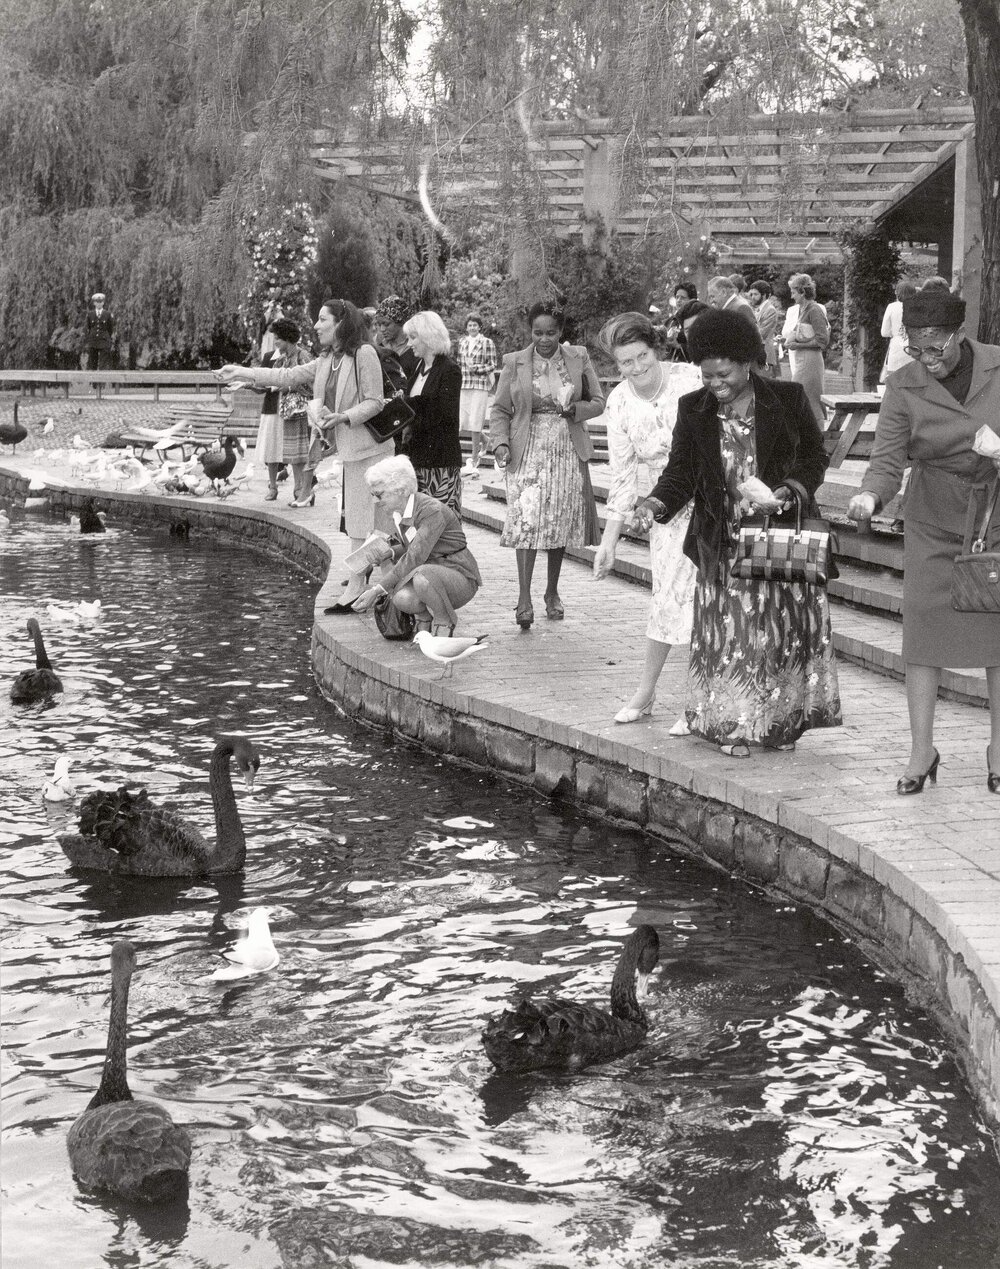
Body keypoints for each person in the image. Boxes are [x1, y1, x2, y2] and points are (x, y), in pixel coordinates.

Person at [631, 308, 842, 758]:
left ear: (748, 362)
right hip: (722, 541)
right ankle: (733, 725)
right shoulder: (695, 408)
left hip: (780, 537)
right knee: (735, 638)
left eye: (723, 374)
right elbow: (681, 472)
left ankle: (778, 725)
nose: (715, 384)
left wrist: (787, 490)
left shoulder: (786, 398)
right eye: (706, 376)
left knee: (780, 636)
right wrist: (654, 503)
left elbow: (814, 458)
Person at [847, 289, 1000, 795]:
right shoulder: (904, 383)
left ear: (959, 335)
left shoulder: (999, 367)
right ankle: (922, 751)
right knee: (922, 633)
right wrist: (870, 497)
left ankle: (999, 751)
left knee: (998, 638)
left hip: (994, 515)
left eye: (935, 347)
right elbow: (888, 458)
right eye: (915, 347)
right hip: (932, 517)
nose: (926, 358)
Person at [219, 299, 391, 605]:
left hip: (373, 450)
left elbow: (375, 401)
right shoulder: (326, 359)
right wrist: (242, 372)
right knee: (358, 520)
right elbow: (287, 377)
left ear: (341, 323)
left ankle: (365, 585)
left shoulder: (365, 354)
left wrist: (344, 417)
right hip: (349, 451)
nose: (316, 325)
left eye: (323, 319)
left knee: (372, 521)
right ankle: (367, 585)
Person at [594, 312, 700, 723]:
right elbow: (622, 479)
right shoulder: (618, 402)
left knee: (706, 599)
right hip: (664, 506)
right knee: (668, 597)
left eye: (642, 357)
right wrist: (608, 541)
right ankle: (647, 690)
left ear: (656, 350)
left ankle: (699, 699)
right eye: (626, 362)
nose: (636, 368)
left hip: (709, 493)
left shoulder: (690, 379)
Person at [490, 299, 605, 628]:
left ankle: (552, 592)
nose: (543, 339)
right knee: (525, 521)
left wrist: (576, 410)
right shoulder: (515, 362)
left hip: (566, 448)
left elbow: (598, 401)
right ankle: (524, 597)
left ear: (561, 331)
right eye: (538, 332)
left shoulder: (578, 357)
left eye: (551, 333)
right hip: (526, 448)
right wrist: (500, 443)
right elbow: (499, 410)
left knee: (557, 523)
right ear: (530, 331)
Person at [350, 456, 481, 635]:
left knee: (422, 576)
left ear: (401, 490)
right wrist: (388, 552)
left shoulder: (430, 511)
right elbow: (414, 546)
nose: (375, 501)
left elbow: (415, 557)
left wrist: (376, 590)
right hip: (432, 572)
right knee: (402, 598)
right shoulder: (401, 511)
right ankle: (424, 619)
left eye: (379, 495)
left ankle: (444, 621)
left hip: (459, 575)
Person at [266, 317, 312, 504]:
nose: (275, 342)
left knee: (301, 454)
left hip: (301, 411)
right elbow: (271, 379)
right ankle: (299, 490)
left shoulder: (303, 356)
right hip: (289, 412)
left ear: (287, 338)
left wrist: (289, 387)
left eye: (278, 338)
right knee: (294, 454)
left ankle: (302, 491)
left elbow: (311, 383)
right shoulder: (282, 360)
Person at [780, 273, 830, 424]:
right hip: (802, 358)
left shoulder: (814, 310)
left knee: (808, 397)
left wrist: (797, 345)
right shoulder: (803, 309)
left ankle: (818, 435)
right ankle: (808, 435)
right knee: (802, 397)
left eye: (794, 292)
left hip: (810, 360)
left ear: (802, 292)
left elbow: (823, 341)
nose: (791, 296)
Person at [457, 313, 499, 471]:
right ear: (466, 327)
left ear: (479, 327)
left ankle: (474, 459)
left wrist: (477, 369)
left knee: (476, 420)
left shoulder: (487, 342)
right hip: (465, 384)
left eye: (475, 325)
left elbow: (493, 364)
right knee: (465, 421)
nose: (472, 327)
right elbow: (460, 364)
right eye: (470, 325)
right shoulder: (462, 342)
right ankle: (485, 439)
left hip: (480, 385)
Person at [879, 280, 918, 383]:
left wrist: (895, 333)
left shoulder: (892, 307)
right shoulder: (918, 307)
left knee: (894, 381)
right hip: (914, 346)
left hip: (896, 347)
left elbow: (884, 332)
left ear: (897, 292)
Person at [374, 296, 419, 381]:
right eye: (379, 325)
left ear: (400, 322)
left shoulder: (414, 349)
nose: (382, 329)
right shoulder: (380, 347)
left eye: (386, 324)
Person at [747, 280, 782, 377]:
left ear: (765, 295)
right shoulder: (756, 309)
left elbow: (761, 333)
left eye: (756, 294)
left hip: (764, 355)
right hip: (755, 354)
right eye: (751, 294)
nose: (752, 297)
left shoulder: (770, 310)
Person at [83, 293, 115, 370]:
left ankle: (101, 381)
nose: (99, 304)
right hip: (93, 341)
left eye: (101, 302)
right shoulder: (90, 314)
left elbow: (110, 329)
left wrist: (107, 338)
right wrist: (89, 338)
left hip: (104, 341)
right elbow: (88, 327)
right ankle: (93, 382)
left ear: (103, 303)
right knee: (92, 364)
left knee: (102, 365)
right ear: (94, 303)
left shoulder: (107, 314)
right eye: (97, 302)